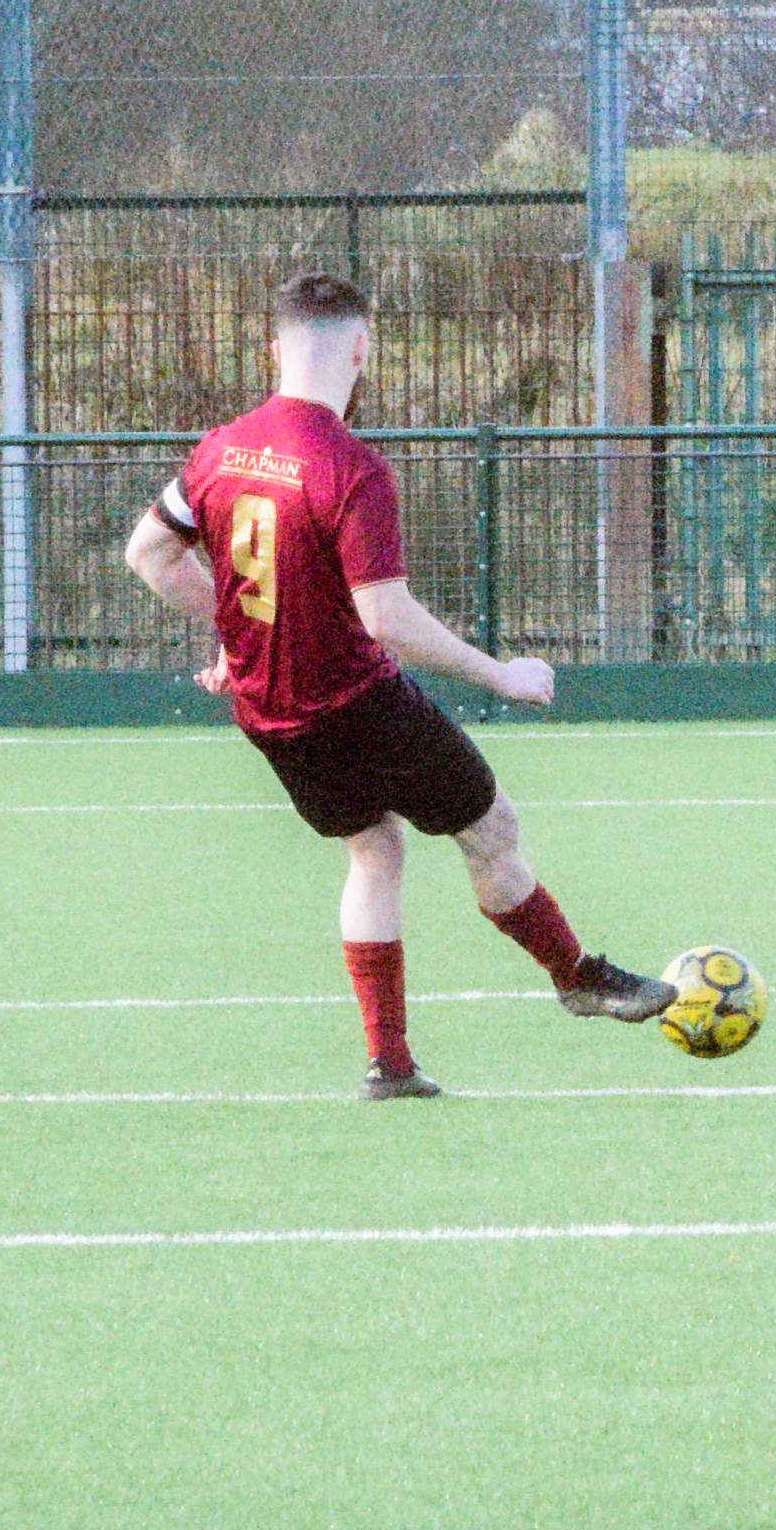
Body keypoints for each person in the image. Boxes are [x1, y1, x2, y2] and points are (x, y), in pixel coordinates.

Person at [122, 269, 675, 1097]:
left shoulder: (218, 447)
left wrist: (238, 636)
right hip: (356, 702)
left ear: (273, 349)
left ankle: (390, 1062)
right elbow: (386, 618)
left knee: (373, 852)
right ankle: (575, 975)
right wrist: (501, 673)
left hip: (270, 716)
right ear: (359, 347)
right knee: (491, 830)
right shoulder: (349, 465)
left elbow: (148, 555)